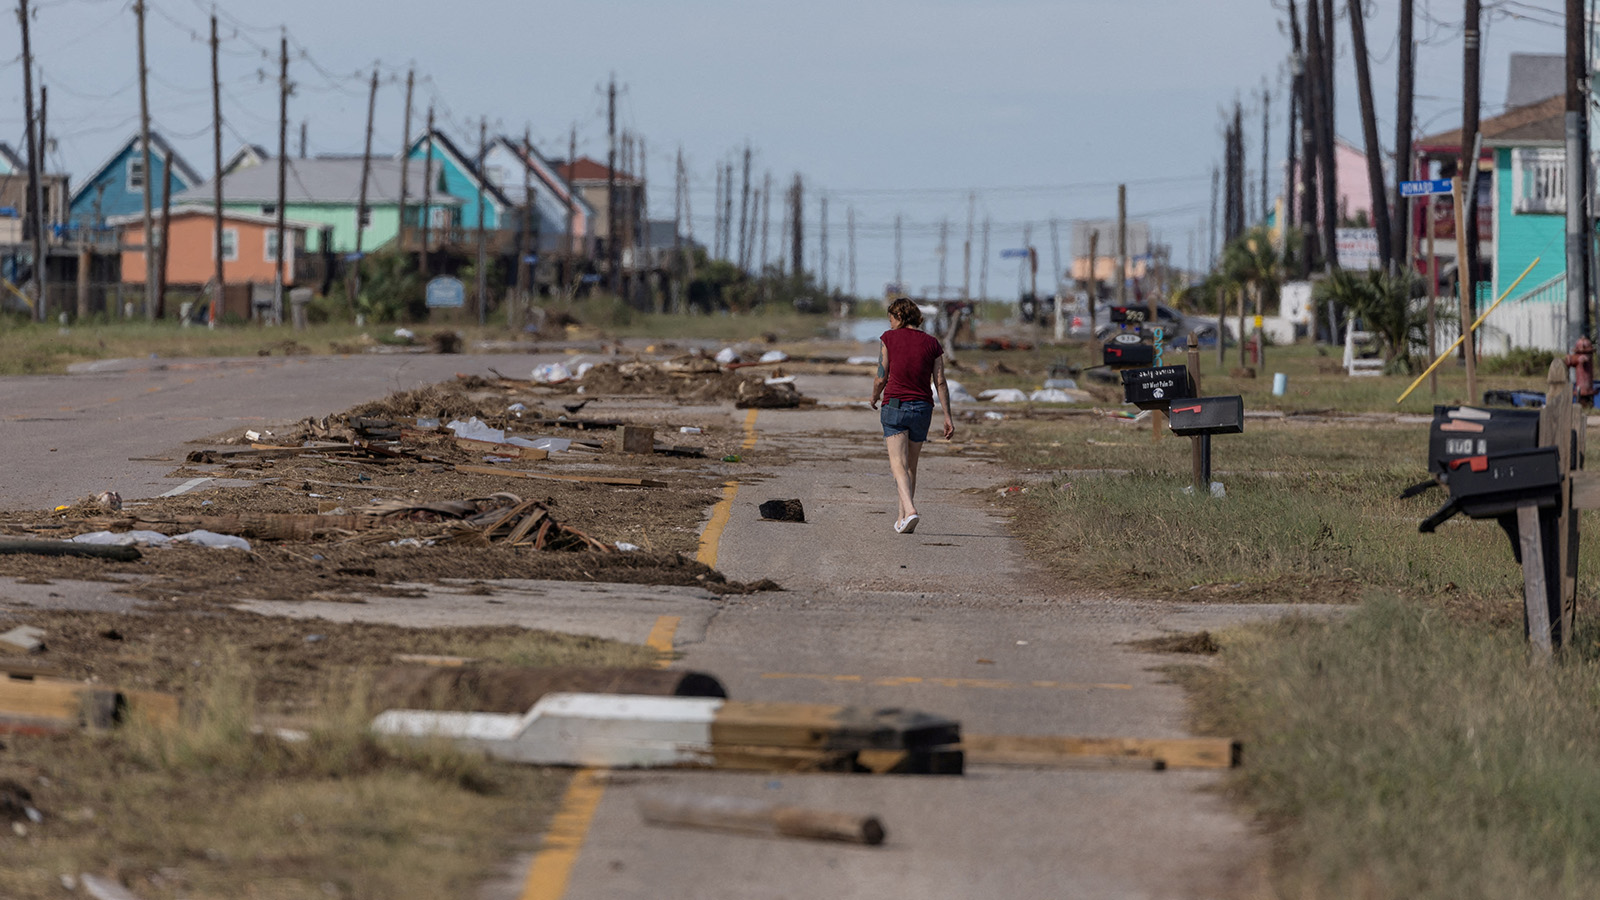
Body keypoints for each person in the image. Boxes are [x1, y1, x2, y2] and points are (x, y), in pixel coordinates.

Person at [870, 297, 955, 534]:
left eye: (891, 318)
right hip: (922, 409)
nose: (890, 323)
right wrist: (948, 416)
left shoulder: (888, 338)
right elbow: (940, 381)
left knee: (897, 463)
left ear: (899, 316)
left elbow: (881, 375)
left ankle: (910, 509)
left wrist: (874, 396)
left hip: (895, 406)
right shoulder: (932, 343)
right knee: (911, 467)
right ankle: (902, 519)